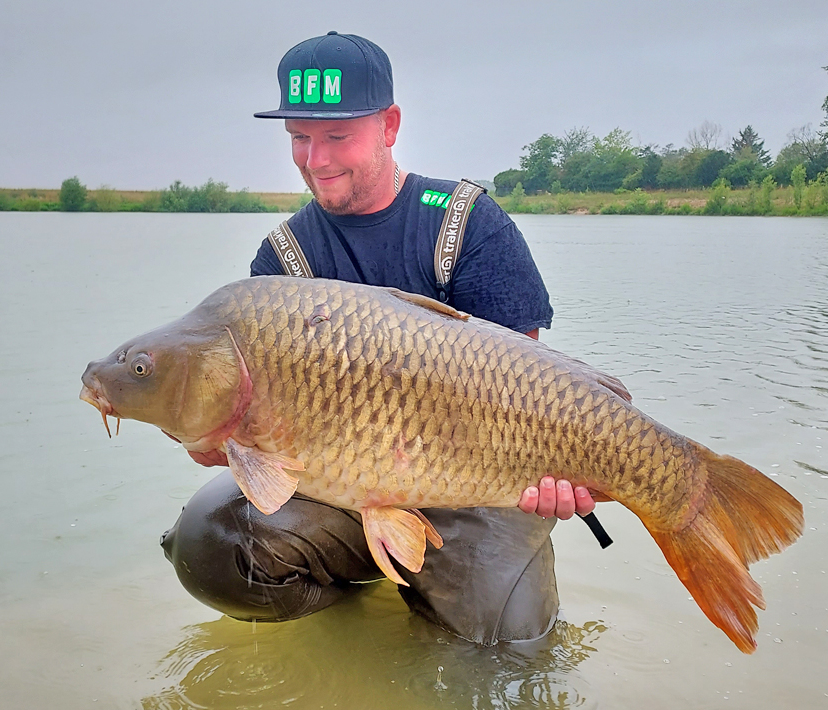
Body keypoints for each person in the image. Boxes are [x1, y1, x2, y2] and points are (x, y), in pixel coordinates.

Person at [160, 32, 595, 645]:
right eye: (298, 138)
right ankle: (347, 602)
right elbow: (263, 439)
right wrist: (227, 441)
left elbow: (528, 394)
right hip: (339, 485)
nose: (316, 159)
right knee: (212, 543)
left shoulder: (466, 223)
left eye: (337, 136)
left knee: (506, 654)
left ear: (389, 126)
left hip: (478, 489)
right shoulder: (285, 258)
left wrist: (561, 474)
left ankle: (449, 590)